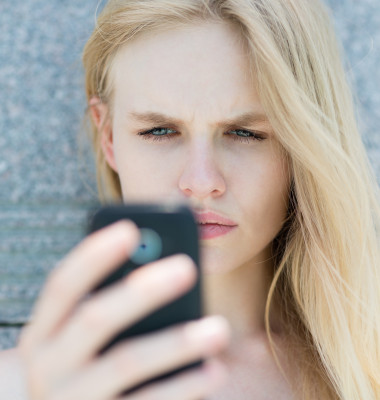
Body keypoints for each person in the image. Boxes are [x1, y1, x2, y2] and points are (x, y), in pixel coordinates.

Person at [1, 0, 380, 398]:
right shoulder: (21, 386)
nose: (201, 182)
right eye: (160, 131)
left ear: (303, 145)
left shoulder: (367, 372)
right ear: (108, 135)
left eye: (246, 133)